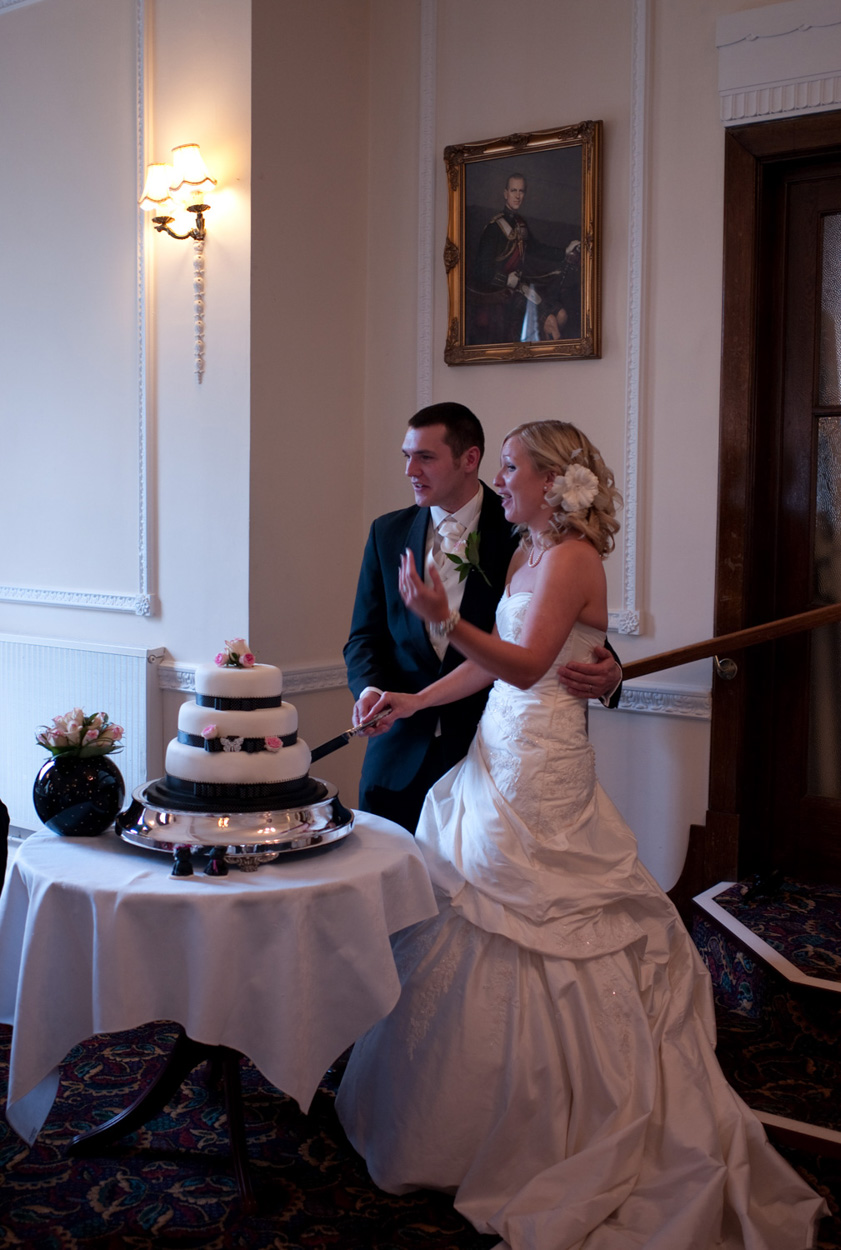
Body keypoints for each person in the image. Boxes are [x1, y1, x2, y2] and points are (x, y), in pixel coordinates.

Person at [336, 421, 825, 1249]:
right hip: (499, 748)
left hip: (542, 769)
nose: (499, 482)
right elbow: (501, 665)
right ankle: (462, 1113)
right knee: (466, 910)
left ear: (555, 482)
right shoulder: (528, 553)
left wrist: (445, 617)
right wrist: (417, 700)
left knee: (544, 913)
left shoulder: (569, 559)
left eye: (512, 470)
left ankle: (559, 1120)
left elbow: (531, 668)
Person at [344, 402, 621, 833]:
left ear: (466, 458)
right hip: (406, 753)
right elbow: (365, 636)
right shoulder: (519, 549)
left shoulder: (516, 530)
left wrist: (612, 671)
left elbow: (559, 646)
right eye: (407, 456)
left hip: (510, 752)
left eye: (426, 457)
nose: (410, 470)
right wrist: (399, 698)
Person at [468, 173, 581, 345]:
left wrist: (564, 252)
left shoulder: (520, 223)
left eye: (521, 191)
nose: (517, 196)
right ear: (505, 193)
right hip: (501, 293)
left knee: (562, 315)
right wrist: (505, 279)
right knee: (550, 320)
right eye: (514, 191)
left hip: (521, 288)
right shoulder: (494, 228)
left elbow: (536, 249)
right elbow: (481, 271)